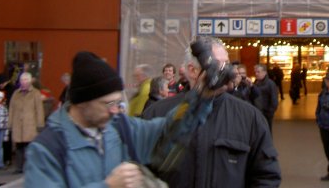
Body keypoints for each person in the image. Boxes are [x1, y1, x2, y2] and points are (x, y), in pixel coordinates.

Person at [26, 49, 234, 187]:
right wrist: (109, 186)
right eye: (108, 104)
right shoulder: (47, 148)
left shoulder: (119, 128)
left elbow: (169, 132)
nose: (116, 110)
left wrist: (200, 96)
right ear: (81, 103)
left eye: (118, 102)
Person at [142, 38, 282, 188]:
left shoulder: (249, 118)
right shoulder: (157, 113)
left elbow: (266, 176)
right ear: (192, 70)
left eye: (227, 64)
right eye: (217, 65)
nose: (226, 72)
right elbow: (140, 172)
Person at [9, 71, 45, 173]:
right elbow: (11, 109)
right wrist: (10, 124)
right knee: (19, 147)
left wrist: (40, 125)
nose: (23, 82)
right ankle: (18, 168)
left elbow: (39, 110)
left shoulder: (35, 93)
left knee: (29, 148)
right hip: (18, 125)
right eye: (22, 80)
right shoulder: (16, 93)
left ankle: (30, 168)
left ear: (29, 81)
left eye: (25, 80)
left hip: (30, 125)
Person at [250, 64, 279, 133]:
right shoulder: (256, 83)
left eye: (258, 72)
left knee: (267, 132)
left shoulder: (270, 84)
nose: (256, 74)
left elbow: (274, 100)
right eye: (255, 72)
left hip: (266, 113)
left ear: (264, 72)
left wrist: (269, 113)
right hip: (258, 112)